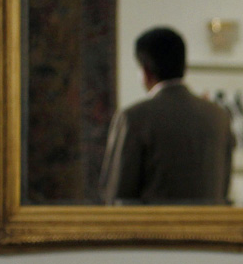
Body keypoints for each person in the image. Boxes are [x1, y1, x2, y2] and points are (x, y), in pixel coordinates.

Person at [99, 27, 234, 205]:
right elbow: (223, 191)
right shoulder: (219, 117)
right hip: (210, 223)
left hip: (152, 223)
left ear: (145, 71)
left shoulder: (133, 118)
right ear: (184, 67)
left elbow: (116, 195)